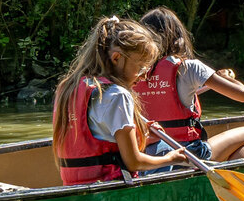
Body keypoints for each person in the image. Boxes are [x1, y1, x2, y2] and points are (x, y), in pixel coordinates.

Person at [52, 16, 184, 184]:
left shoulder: (68, 87)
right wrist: (171, 158)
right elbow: (134, 162)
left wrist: (140, 135)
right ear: (116, 58)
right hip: (110, 194)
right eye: (141, 67)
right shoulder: (118, 95)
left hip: (75, 189)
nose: (144, 75)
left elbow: (97, 136)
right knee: (165, 149)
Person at [135, 6, 244, 163]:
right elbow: (243, 96)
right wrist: (227, 78)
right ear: (177, 36)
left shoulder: (134, 72)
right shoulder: (189, 67)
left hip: (150, 153)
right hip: (187, 152)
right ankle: (219, 183)